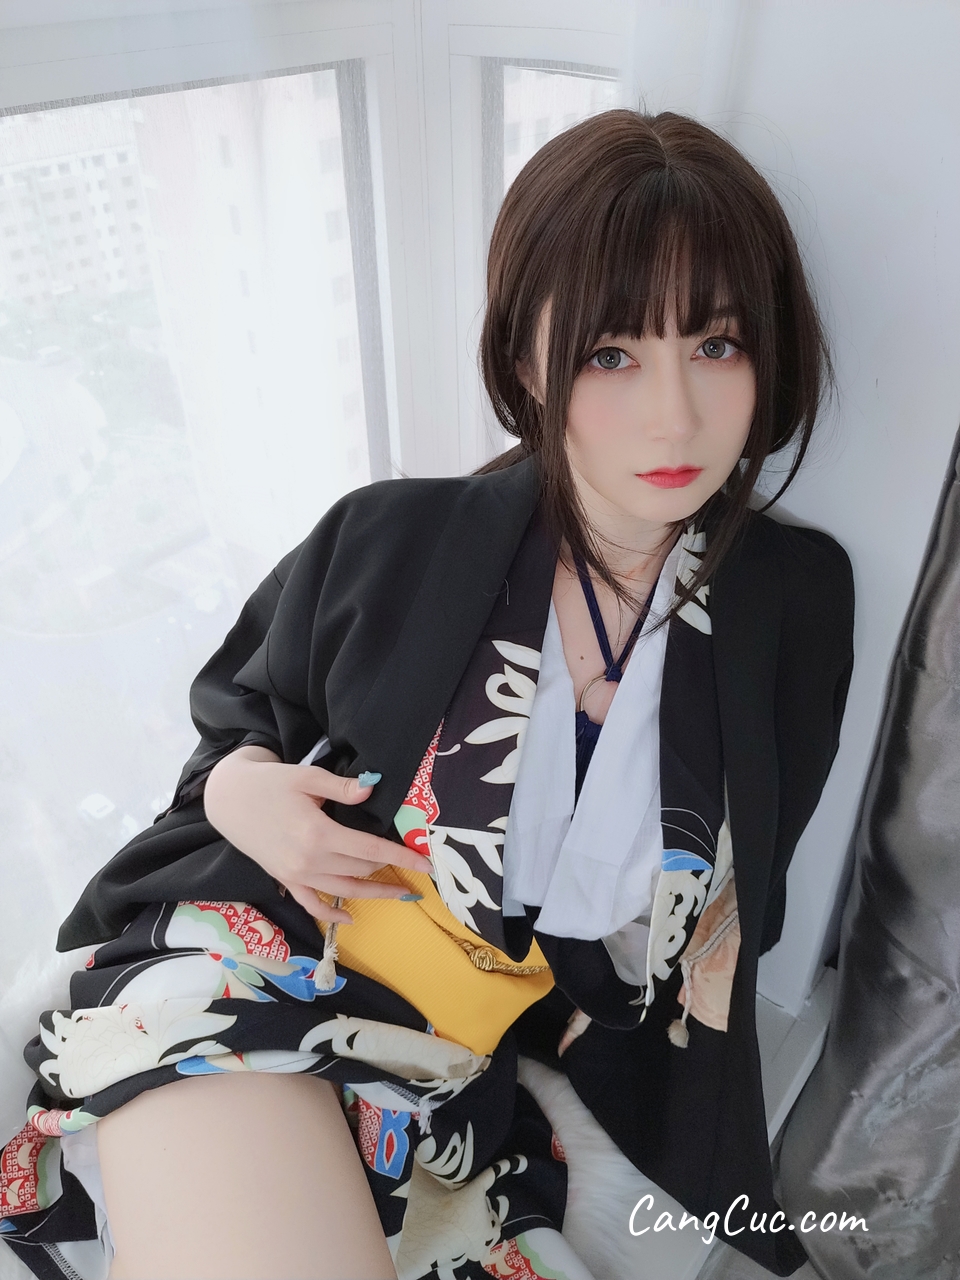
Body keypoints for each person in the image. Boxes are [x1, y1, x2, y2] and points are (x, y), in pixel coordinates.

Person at [0, 108, 854, 1280]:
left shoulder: (794, 603)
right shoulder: (391, 538)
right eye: (610, 354)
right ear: (527, 363)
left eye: (715, 344)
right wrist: (246, 791)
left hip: (450, 1066)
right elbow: (234, 732)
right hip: (257, 957)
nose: (675, 413)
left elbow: (722, 922)